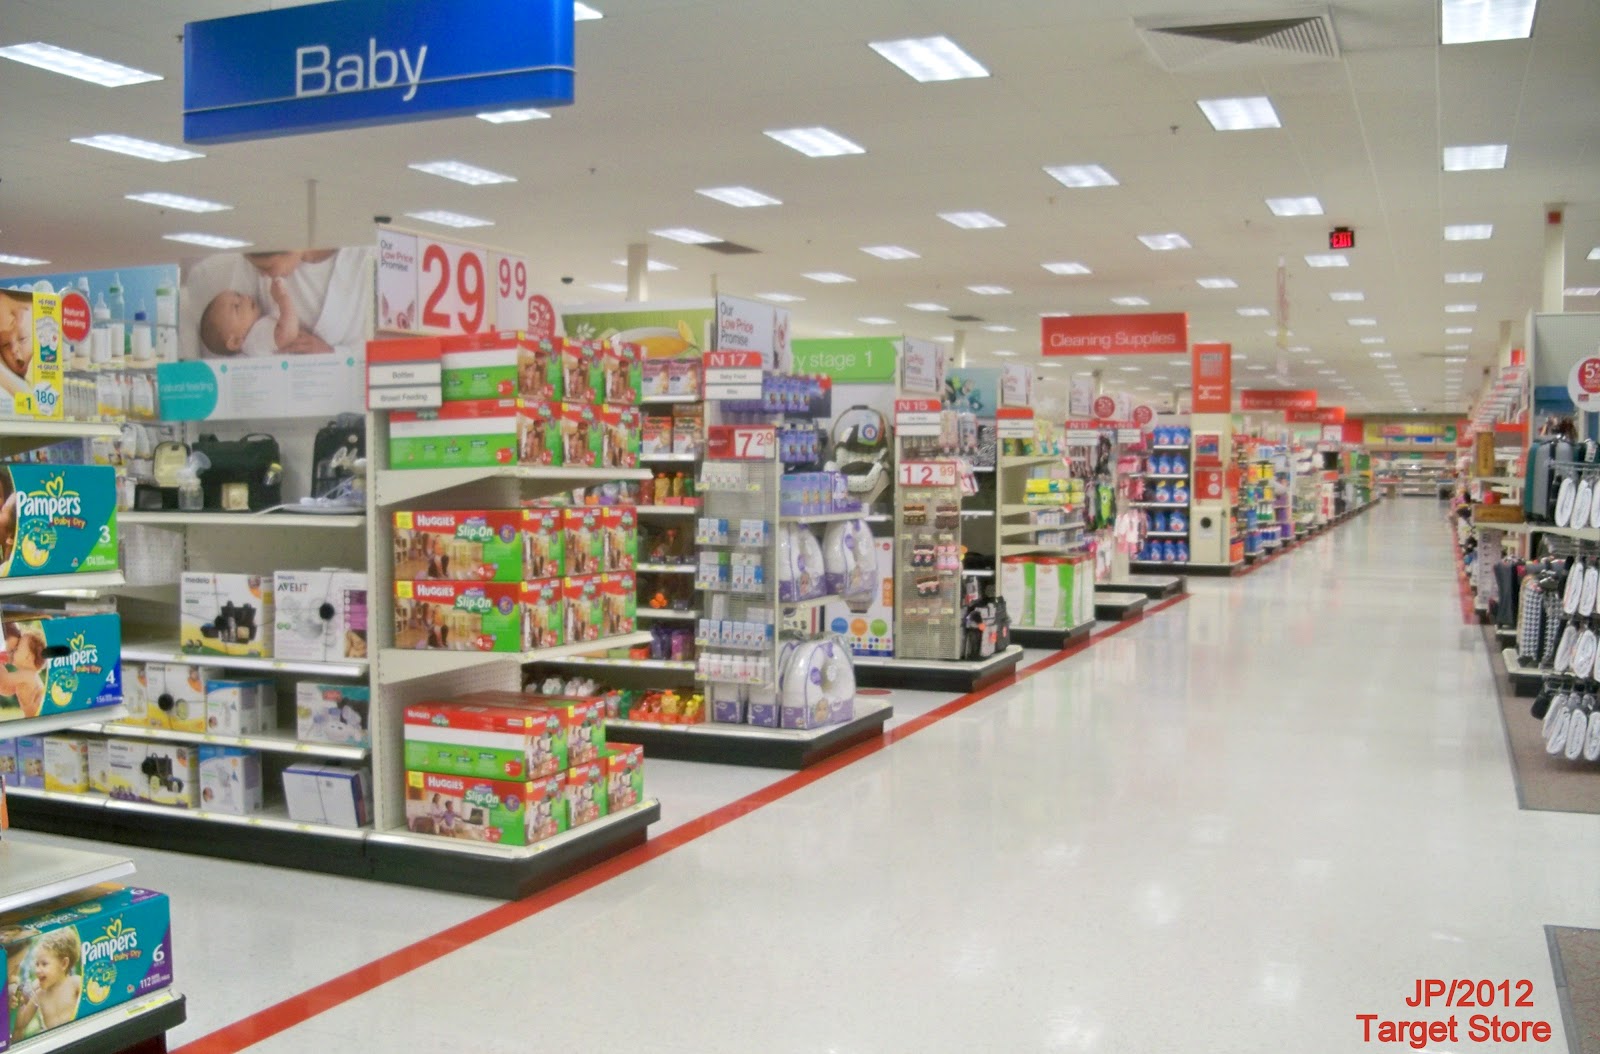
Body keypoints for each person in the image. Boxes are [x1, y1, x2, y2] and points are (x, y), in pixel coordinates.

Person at [197, 278, 300, 357]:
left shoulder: (250, 346)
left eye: (239, 295)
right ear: (235, 341)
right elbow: (288, 333)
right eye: (236, 307)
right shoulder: (254, 337)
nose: (245, 298)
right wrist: (282, 298)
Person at [10, 931, 81, 1040]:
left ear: (64, 964)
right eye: (37, 964)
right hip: (53, 1042)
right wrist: (17, 1000)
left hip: (77, 1036)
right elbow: (21, 1023)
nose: (37, 970)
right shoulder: (39, 995)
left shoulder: (75, 984)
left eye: (44, 964)